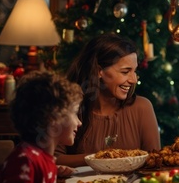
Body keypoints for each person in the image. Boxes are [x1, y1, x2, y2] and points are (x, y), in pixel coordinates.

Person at [55, 33, 161, 168]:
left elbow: (154, 161)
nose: (133, 79)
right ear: (100, 71)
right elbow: (53, 158)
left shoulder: (142, 107)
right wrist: (98, 158)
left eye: (134, 71)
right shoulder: (72, 108)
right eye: (125, 72)